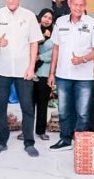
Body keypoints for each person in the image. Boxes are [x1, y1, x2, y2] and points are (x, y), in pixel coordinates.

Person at [0, 0, 43, 158]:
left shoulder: (29, 16)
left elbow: (34, 43)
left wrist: (31, 67)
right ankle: (1, 141)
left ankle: (29, 142)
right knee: (0, 107)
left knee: (27, 108)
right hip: (1, 70)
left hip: (23, 71)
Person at [47, 0, 94, 151]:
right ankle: (65, 140)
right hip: (63, 75)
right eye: (75, 4)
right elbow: (56, 49)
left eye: (81, 5)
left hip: (84, 77)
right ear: (70, 5)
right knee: (64, 111)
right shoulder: (60, 22)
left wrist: (83, 59)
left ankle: (80, 143)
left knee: (83, 113)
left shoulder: (93, 24)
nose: (78, 8)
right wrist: (51, 73)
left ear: (85, 6)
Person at [32, 9, 54, 141]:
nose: (47, 20)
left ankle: (41, 131)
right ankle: (27, 130)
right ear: (40, 17)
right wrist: (42, 37)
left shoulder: (54, 34)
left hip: (44, 73)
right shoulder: (33, 31)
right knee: (28, 104)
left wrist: (40, 57)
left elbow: (55, 52)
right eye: (45, 16)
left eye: (50, 18)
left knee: (42, 103)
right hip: (30, 72)